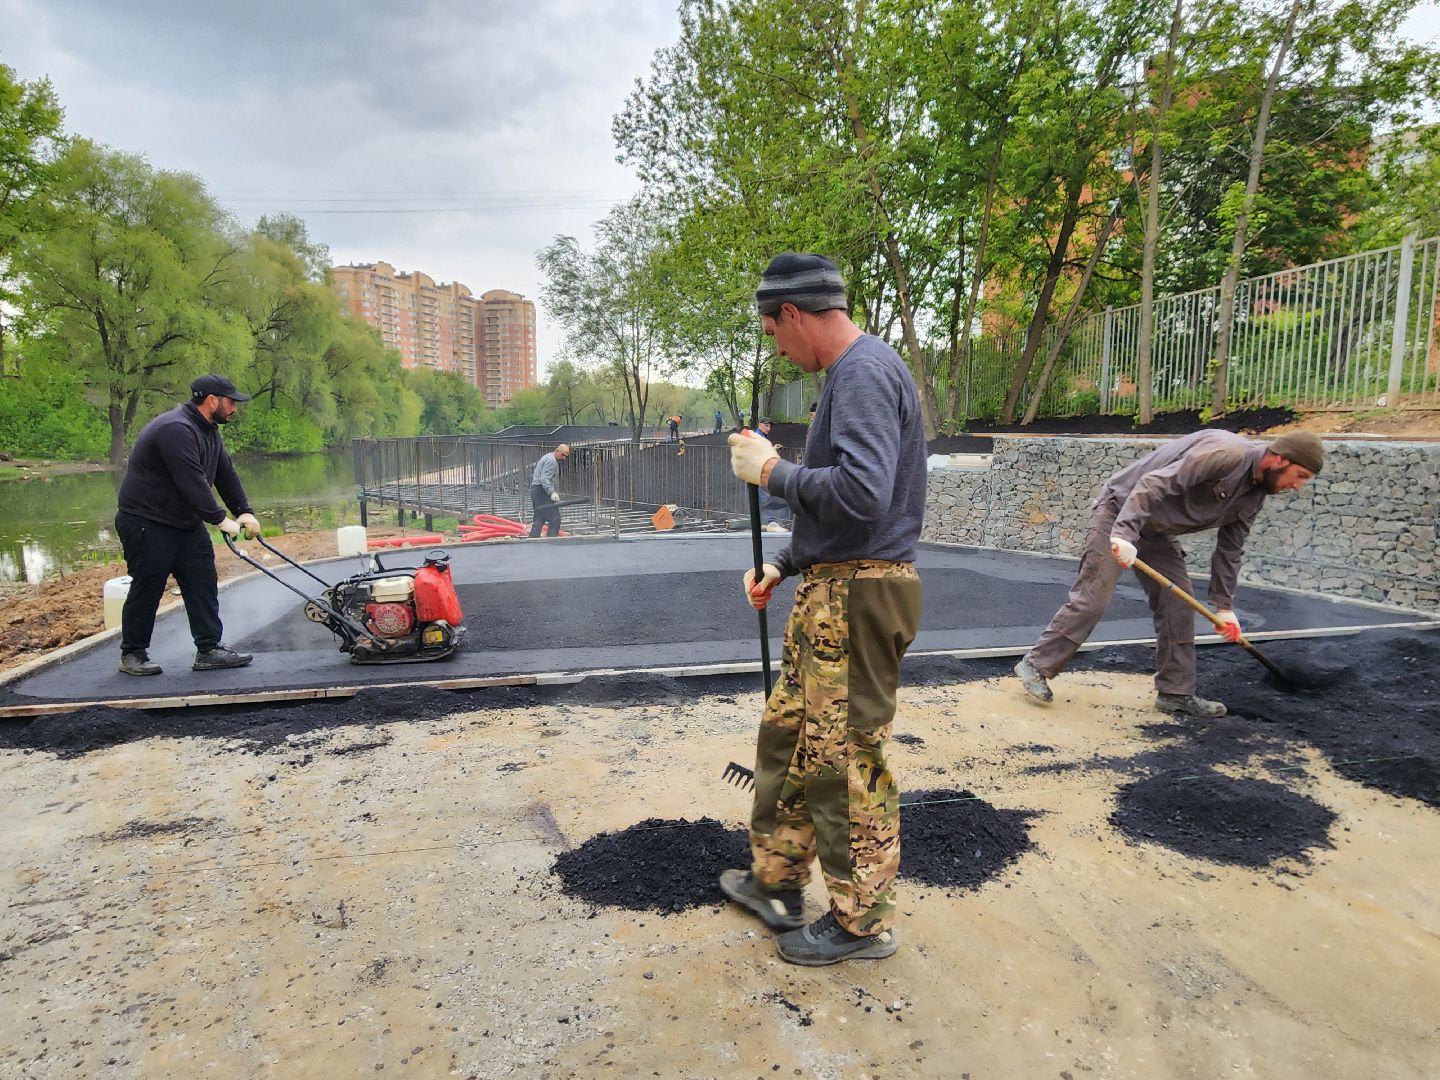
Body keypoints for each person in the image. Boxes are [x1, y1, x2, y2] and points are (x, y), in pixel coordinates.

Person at [720, 252, 926, 967]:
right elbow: (846, 508)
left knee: (841, 760)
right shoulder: (851, 375)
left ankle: (861, 924)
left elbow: (865, 495)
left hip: (862, 595)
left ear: (794, 314)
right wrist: (783, 562)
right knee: (789, 736)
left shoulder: (864, 372)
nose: (778, 348)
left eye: (775, 332)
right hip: (833, 584)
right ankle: (775, 880)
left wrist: (774, 473)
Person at [1014, 429, 1324, 717]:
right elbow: (1152, 484)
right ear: (1280, 458)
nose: (1297, 486)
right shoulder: (1225, 454)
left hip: (1158, 530)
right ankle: (1036, 665)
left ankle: (1175, 693)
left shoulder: (1255, 494)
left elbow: (1231, 549)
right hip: (1120, 511)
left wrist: (1225, 608)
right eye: (1300, 476)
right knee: (1094, 597)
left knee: (1179, 603)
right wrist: (1123, 534)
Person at [113, 374, 262, 676]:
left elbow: (224, 473)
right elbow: (191, 482)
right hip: (146, 521)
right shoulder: (175, 429)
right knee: (148, 586)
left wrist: (244, 511)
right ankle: (133, 654)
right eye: (231, 402)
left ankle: (209, 649)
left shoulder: (209, 430)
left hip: (183, 523)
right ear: (212, 401)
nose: (234, 408)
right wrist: (220, 519)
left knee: (202, 582)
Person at [529, 443, 571, 538]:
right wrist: (551, 492)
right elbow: (544, 478)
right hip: (542, 491)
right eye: (563, 455)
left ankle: (533, 539)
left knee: (539, 517)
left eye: (566, 456)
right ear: (557, 450)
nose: (564, 458)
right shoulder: (551, 461)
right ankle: (552, 540)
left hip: (537, 491)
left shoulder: (548, 457)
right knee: (555, 519)